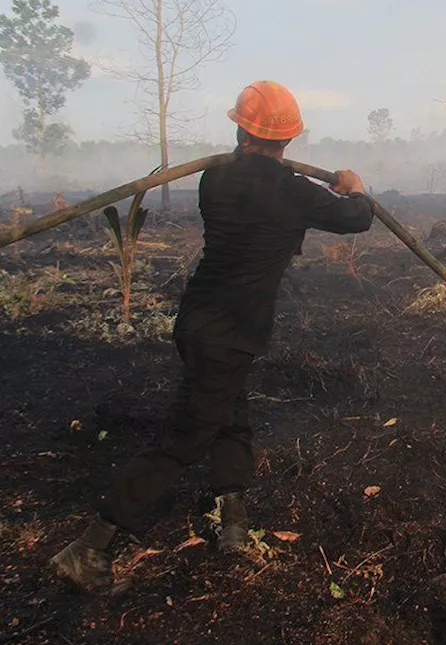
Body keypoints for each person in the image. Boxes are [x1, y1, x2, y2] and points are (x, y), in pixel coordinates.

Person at [50, 81, 375, 590]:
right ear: (289, 140)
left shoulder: (214, 181)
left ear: (239, 129)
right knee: (184, 437)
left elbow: (254, 177)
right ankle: (90, 546)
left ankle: (234, 525)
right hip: (230, 331)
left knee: (230, 417)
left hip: (201, 321)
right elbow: (357, 218)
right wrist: (353, 186)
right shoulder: (293, 192)